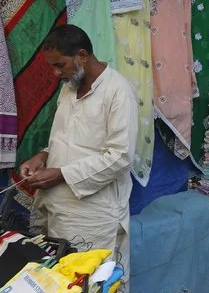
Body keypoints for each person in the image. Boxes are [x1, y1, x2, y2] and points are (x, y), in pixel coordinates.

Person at [19, 24, 138, 292]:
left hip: (93, 216)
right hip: (57, 209)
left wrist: (60, 173)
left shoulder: (118, 91)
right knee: (58, 283)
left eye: (60, 65)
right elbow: (66, 138)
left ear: (82, 55)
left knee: (92, 283)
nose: (56, 73)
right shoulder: (70, 87)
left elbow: (119, 157)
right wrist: (43, 156)